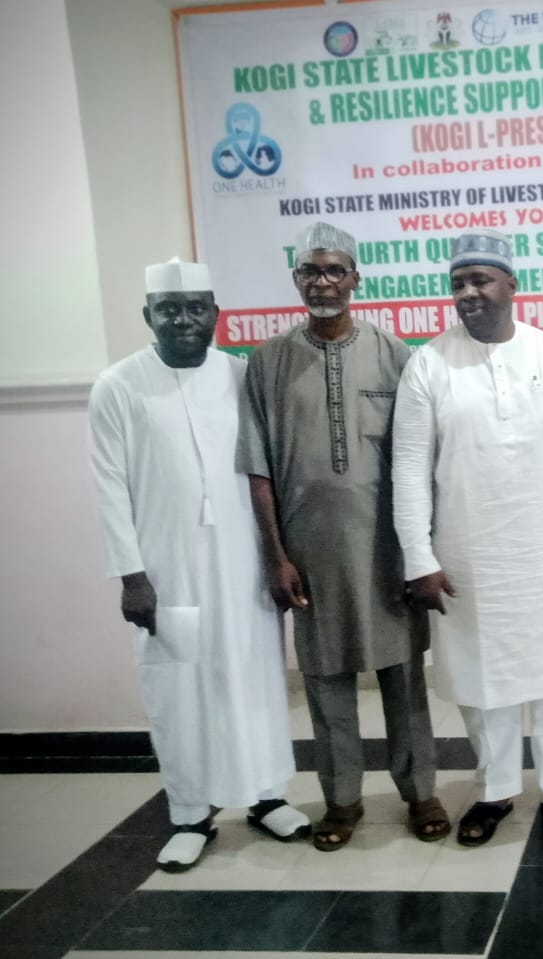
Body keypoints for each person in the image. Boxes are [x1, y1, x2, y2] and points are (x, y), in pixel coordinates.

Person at [392, 229, 543, 847]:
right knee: (483, 683)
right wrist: (419, 558)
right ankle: (493, 791)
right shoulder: (429, 364)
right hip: (472, 555)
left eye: (481, 280)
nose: (469, 293)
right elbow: (408, 470)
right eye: (458, 283)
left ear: (511, 285)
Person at [88, 257, 308, 872]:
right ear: (148, 316)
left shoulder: (240, 375)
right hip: (166, 570)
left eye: (195, 308)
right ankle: (190, 814)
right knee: (178, 692)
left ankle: (267, 796)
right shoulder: (118, 385)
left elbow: (266, 472)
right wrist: (131, 575)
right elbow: (109, 486)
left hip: (242, 564)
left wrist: (277, 556)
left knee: (255, 681)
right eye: (169, 309)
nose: (183, 320)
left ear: (215, 314)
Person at [237, 222, 444, 851]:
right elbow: (258, 468)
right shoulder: (268, 362)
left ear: (356, 278)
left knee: (403, 677)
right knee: (325, 680)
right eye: (311, 271)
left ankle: (421, 792)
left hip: (387, 549)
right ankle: (342, 800)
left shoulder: (396, 355)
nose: (323, 282)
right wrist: (276, 557)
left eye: (334, 270)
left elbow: (422, 461)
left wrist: (421, 552)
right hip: (311, 552)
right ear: (296, 280)